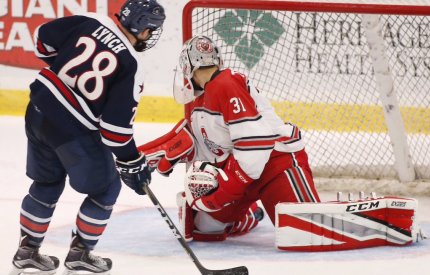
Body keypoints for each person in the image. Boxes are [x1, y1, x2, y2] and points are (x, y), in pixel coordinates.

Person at [10, 0, 165, 274]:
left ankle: (27, 250)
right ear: (142, 29)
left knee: (47, 181)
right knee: (106, 188)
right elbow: (115, 132)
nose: (150, 36)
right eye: (150, 30)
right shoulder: (131, 64)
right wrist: (133, 161)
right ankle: (80, 252)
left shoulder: (92, 19)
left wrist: (64, 72)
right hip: (72, 130)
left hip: (38, 111)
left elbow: (42, 39)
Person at [139, 35, 321, 242]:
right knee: (203, 228)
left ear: (188, 67)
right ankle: (251, 214)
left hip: (275, 164)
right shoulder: (201, 101)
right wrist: (141, 157)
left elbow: (256, 144)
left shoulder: (226, 83)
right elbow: (213, 146)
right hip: (242, 170)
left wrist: (225, 191)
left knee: (307, 233)